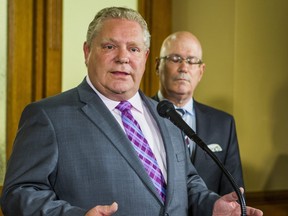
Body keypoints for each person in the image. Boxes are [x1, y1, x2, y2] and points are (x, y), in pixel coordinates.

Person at [0, 6, 262, 216]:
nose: (123, 57)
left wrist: (212, 205)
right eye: (110, 46)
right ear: (87, 51)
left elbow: (187, 183)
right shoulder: (48, 116)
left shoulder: (166, 115)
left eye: (133, 49)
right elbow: (19, 194)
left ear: (146, 58)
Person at [152, 31, 244, 196]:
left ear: (201, 71)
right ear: (158, 66)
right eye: (175, 59)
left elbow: (233, 192)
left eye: (191, 61)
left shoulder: (223, 124)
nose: (184, 68)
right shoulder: (139, 116)